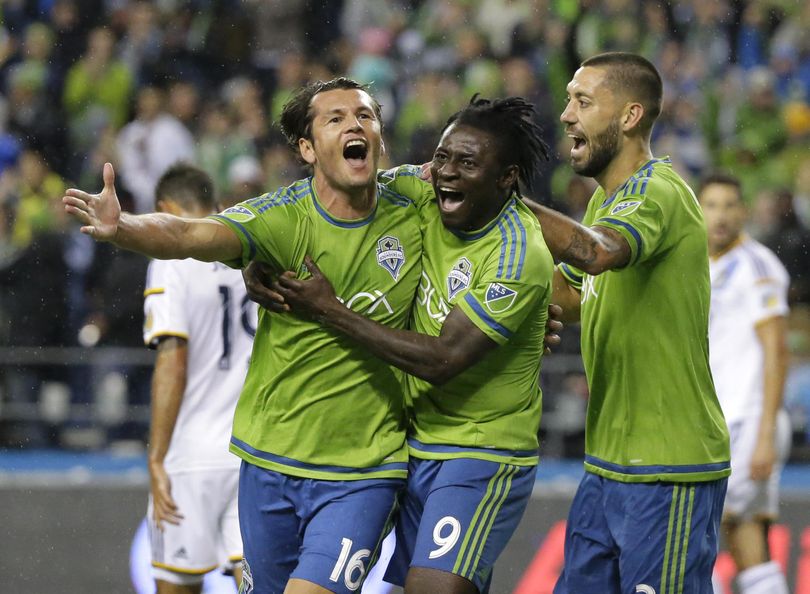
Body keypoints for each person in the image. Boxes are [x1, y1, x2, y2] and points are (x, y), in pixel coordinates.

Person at [63, 78, 424, 594]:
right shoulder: (281, 219)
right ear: (306, 148)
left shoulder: (419, 200)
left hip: (363, 470)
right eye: (336, 118)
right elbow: (190, 234)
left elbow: (489, 204)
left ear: (380, 137)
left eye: (365, 116)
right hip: (266, 462)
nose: (355, 125)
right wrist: (125, 227)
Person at [250, 96, 554, 594]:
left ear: (506, 177)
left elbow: (442, 359)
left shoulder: (517, 253)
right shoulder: (421, 191)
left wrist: (329, 309)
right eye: (443, 158)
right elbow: (332, 200)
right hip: (414, 445)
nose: (447, 174)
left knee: (432, 588)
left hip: (480, 450)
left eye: (467, 163)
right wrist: (264, 258)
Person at [520, 52, 731, 593]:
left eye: (583, 101)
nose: (567, 114)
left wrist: (507, 205)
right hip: (608, 464)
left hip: (668, 467)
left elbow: (597, 256)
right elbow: (571, 295)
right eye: (568, 99)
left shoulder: (657, 191)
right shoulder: (602, 205)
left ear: (631, 115)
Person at [143, 163, 255, 593]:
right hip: (254, 451)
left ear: (163, 209)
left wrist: (156, 457)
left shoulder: (172, 256)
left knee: (178, 584)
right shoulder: (251, 244)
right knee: (259, 582)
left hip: (192, 454)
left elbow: (173, 361)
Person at [698, 172, 791, 594]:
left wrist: (766, 433)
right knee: (746, 534)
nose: (720, 216)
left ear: (744, 212)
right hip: (722, 421)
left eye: (729, 206)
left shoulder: (757, 266)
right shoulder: (702, 265)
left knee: (695, 532)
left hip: (747, 421)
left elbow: (776, 349)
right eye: (711, 205)